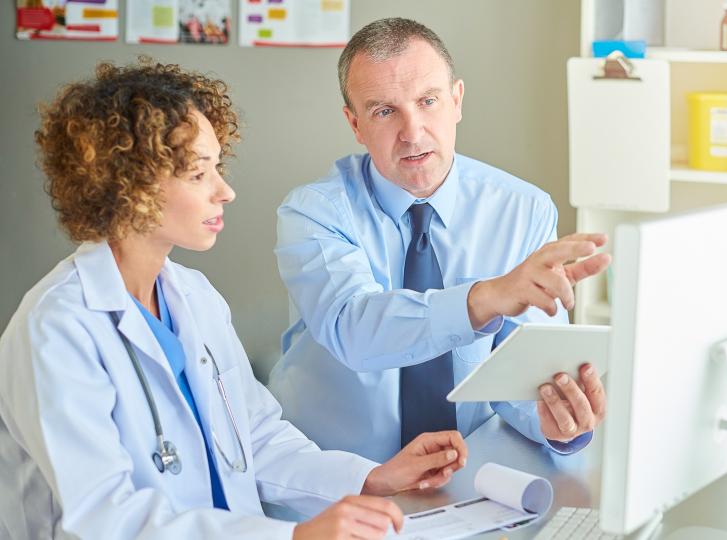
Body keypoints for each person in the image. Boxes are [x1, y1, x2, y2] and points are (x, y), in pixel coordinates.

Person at [0, 60, 468, 539]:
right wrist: (294, 536)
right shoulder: (56, 328)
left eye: (217, 168)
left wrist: (372, 477)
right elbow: (105, 519)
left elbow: (257, 439)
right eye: (199, 173)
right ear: (129, 184)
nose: (225, 191)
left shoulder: (194, 297)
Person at [270, 18, 611, 465]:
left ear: (456, 101)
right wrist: (486, 299)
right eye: (384, 111)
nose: (412, 132)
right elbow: (356, 329)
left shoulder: (522, 211)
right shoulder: (313, 213)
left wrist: (553, 420)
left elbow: (522, 371)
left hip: (459, 480)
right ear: (355, 124)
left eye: (428, 101)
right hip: (335, 479)